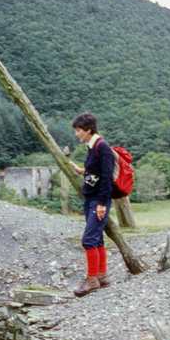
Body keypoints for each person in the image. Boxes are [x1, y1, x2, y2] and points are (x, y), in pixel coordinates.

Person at [71, 112, 113, 297]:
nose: (76, 134)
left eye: (78, 130)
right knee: (97, 238)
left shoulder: (102, 147)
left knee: (88, 239)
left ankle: (91, 279)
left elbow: (106, 178)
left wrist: (102, 204)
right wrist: (83, 170)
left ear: (88, 130)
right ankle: (102, 276)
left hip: (98, 200)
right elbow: (96, 171)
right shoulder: (92, 146)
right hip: (92, 198)